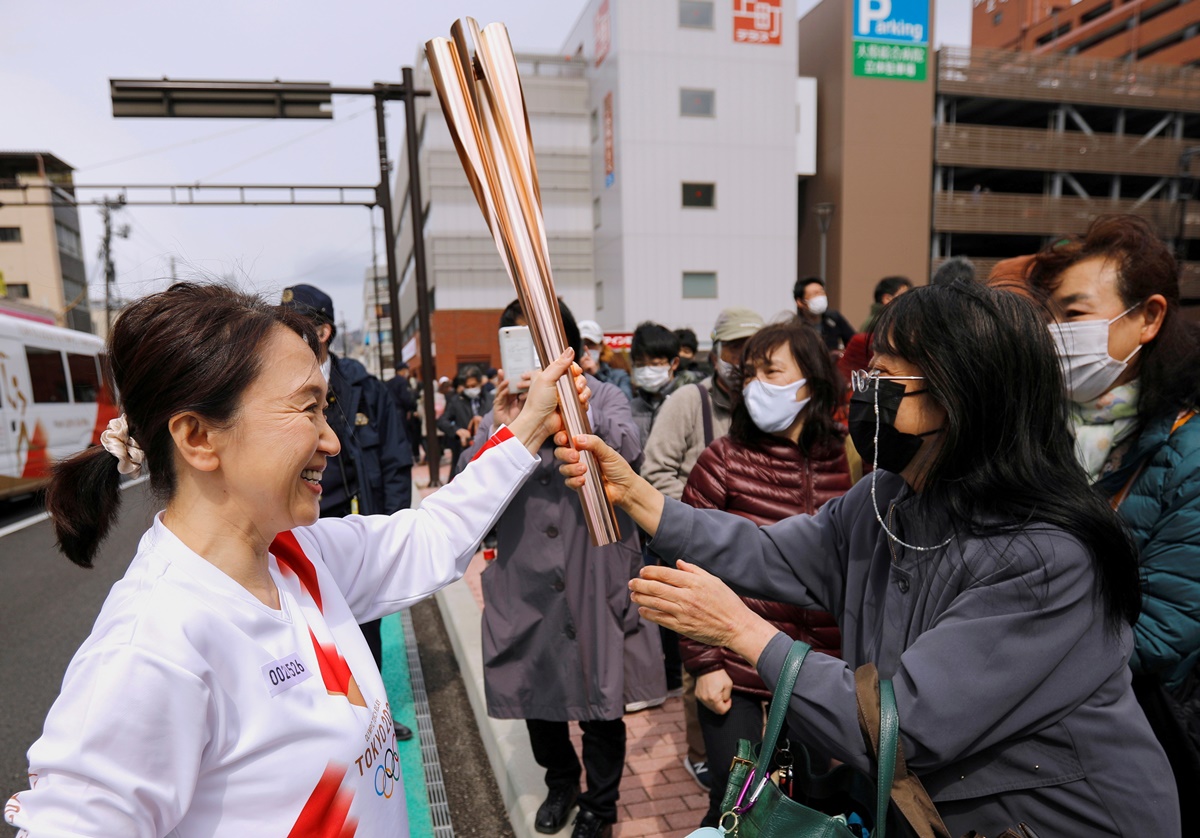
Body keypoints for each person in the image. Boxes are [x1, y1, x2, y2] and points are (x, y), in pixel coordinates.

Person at [557, 282, 1178, 837]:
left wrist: (743, 632)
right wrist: (639, 496)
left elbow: (902, 728)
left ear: (964, 397)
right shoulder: (886, 498)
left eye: (886, 380)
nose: (865, 397)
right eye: (866, 378)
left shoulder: (1046, 558)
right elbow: (771, 550)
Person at [7, 282, 588, 837]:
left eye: (325, 406)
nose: (331, 440)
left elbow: (430, 535)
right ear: (199, 438)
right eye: (306, 409)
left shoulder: (296, 556)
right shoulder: (150, 649)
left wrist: (530, 423)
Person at [462, 298, 665, 838]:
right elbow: (468, 496)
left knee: (603, 702)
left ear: (563, 347)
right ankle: (561, 784)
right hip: (526, 582)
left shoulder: (605, 397)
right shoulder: (501, 407)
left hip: (594, 574)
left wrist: (574, 410)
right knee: (539, 696)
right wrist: (502, 429)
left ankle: (601, 806)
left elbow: (627, 446)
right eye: (514, 342)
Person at [1028, 214, 1200, 829]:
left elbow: (1164, 630)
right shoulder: (1040, 434)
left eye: (1073, 315)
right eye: (1050, 317)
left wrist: (1013, 662)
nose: (1055, 334)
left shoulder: (1188, 450)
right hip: (1038, 740)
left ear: (1149, 318)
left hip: (1132, 737)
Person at [678, 318, 849, 827]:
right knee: (735, 806)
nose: (753, 384)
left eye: (770, 372)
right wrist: (705, 664)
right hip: (738, 673)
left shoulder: (848, 459)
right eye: (748, 372)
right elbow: (685, 566)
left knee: (807, 807)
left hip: (817, 673)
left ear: (811, 384)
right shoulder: (722, 459)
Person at [639, 306, 763, 787]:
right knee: (704, 665)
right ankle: (704, 754)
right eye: (735, 349)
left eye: (753, 350)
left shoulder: (763, 405)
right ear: (716, 352)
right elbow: (655, 474)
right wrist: (708, 519)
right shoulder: (689, 403)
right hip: (702, 558)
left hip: (758, 562)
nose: (744, 359)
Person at [282, 284, 413, 733]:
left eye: (297, 327)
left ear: (324, 331)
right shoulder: (273, 388)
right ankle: (333, 728)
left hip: (358, 528)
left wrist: (393, 529)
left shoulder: (363, 386)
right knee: (309, 632)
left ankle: (374, 720)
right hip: (300, 532)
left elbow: (397, 460)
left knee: (364, 628)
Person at [839, 276, 912, 382]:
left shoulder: (880, 320)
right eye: (904, 296)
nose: (909, 301)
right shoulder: (883, 323)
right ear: (887, 298)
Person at [629, 321, 684, 449]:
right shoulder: (631, 407)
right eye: (640, 364)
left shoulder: (687, 403)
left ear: (674, 363)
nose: (647, 371)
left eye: (655, 364)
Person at [438, 364, 493, 482]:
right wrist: (456, 430)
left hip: (489, 451)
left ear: (480, 382)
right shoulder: (456, 401)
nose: (471, 389)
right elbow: (442, 421)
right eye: (467, 387)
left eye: (473, 386)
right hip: (464, 452)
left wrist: (485, 421)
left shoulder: (492, 399)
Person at [793, 276, 855, 353]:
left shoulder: (834, 318)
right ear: (800, 302)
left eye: (822, 293)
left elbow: (853, 342)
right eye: (814, 294)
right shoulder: (795, 327)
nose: (820, 298)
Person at [578, 319, 632, 400]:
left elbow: (625, 401)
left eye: (591, 344)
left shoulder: (619, 376)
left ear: (601, 346)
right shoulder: (569, 375)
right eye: (582, 344)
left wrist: (597, 374)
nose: (586, 348)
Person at [386, 365, 423, 465]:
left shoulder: (389, 382)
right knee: (406, 436)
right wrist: (412, 408)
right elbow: (406, 398)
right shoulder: (402, 382)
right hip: (401, 412)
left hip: (391, 411)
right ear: (402, 371)